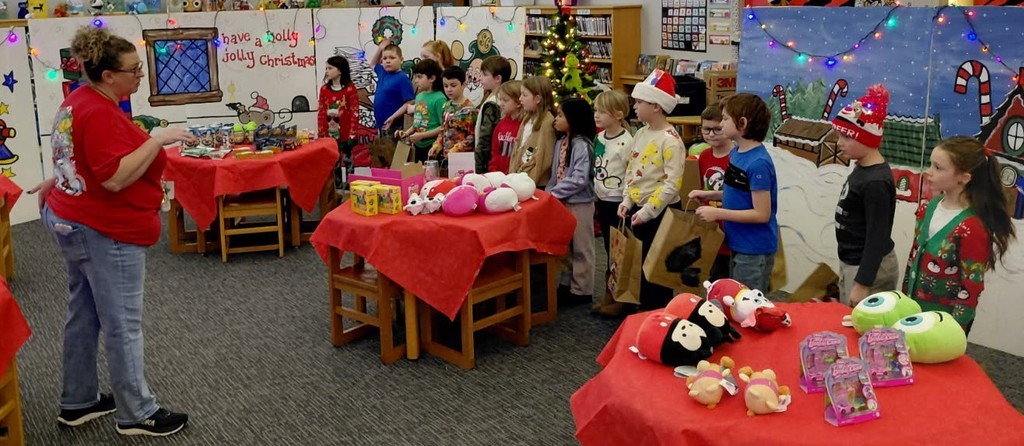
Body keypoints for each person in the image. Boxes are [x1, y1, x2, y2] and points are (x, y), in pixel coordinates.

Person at [28, 26, 193, 437]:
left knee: (83, 314)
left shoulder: (78, 100)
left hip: (71, 219)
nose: (140, 76)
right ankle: (137, 412)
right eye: (134, 71)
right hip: (102, 230)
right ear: (108, 76)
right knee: (122, 323)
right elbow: (115, 179)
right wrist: (157, 140)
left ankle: (78, 400)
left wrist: (60, 180)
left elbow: (74, 155)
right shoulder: (98, 111)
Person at [903, 136, 1015, 335]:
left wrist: (954, 331)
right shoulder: (928, 208)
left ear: (963, 178)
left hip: (943, 323)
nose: (928, 172)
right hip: (912, 311)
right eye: (931, 164)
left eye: (938, 167)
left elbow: (971, 285)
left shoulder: (972, 227)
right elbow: (914, 259)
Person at [689, 93, 777, 294]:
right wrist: (710, 195)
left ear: (743, 123)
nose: (722, 122)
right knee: (729, 297)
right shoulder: (737, 154)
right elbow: (738, 194)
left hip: (753, 248)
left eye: (726, 119)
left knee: (746, 303)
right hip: (735, 241)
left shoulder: (758, 163)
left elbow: (761, 213)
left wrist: (718, 214)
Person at [617, 70, 686, 310]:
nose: (634, 106)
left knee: (656, 273)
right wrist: (627, 200)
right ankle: (641, 313)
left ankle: (659, 316)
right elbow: (632, 169)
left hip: (660, 213)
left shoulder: (670, 140)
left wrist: (647, 212)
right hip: (639, 210)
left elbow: (671, 184)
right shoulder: (642, 133)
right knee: (638, 266)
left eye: (639, 101)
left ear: (656, 106)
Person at [831, 84, 899, 306]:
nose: (839, 143)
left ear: (867, 140)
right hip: (853, 262)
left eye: (847, 137)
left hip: (868, 270)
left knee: (862, 328)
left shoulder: (876, 183)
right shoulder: (863, 168)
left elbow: (877, 237)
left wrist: (862, 283)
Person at [547, 98, 598, 306]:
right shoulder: (561, 142)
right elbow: (555, 174)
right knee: (566, 246)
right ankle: (567, 284)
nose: (555, 119)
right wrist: (550, 192)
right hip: (563, 201)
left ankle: (582, 289)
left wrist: (554, 193)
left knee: (582, 246)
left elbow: (579, 178)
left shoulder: (582, 145)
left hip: (580, 203)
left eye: (560, 115)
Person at [590, 89, 633, 316]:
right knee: (608, 247)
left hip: (618, 201)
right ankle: (610, 291)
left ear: (617, 114)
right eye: (596, 110)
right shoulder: (599, 137)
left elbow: (631, 173)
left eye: (602, 112)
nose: (597, 115)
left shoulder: (627, 142)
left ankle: (621, 296)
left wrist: (626, 200)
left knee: (619, 249)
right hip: (602, 199)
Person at [694, 102, 735, 283]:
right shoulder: (704, 156)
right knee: (715, 280)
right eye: (706, 129)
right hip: (712, 230)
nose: (711, 134)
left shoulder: (736, 156)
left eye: (717, 129)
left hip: (734, 228)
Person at [392, 58, 445, 162]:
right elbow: (417, 122)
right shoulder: (419, 96)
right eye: (416, 77)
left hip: (432, 146)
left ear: (432, 78)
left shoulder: (439, 98)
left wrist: (422, 135)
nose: (416, 81)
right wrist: (406, 133)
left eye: (419, 77)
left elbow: (443, 127)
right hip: (418, 145)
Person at [318, 55, 359, 188]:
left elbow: (355, 112)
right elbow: (321, 112)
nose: (327, 71)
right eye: (326, 68)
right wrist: (321, 134)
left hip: (346, 135)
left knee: (348, 163)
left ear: (340, 70)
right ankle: (336, 192)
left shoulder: (350, 89)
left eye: (330, 68)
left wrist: (352, 134)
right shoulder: (324, 90)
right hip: (330, 136)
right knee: (333, 165)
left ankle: (349, 192)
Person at [508, 76, 557, 187]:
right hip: (519, 179)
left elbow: (543, 158)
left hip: (533, 184)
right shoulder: (527, 118)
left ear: (538, 99)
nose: (520, 98)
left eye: (525, 95)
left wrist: (529, 182)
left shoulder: (547, 122)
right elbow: (517, 149)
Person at [428, 66, 476, 160]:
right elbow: (443, 131)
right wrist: (436, 145)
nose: (449, 89)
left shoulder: (470, 110)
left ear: (463, 85)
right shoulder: (446, 106)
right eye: (445, 86)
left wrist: (457, 148)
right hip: (446, 156)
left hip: (463, 158)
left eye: (453, 86)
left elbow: (472, 137)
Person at [371, 38, 415, 137]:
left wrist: (393, 117)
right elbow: (373, 64)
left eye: (392, 58)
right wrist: (380, 48)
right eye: (385, 58)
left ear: (401, 59)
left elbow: (410, 102)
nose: (387, 61)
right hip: (381, 124)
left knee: (392, 150)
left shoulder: (402, 78)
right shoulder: (383, 73)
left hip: (395, 125)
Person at [475, 56, 511, 173]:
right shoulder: (491, 97)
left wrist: (480, 167)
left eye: (485, 75)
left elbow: (486, 139)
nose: (480, 78)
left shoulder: (494, 103)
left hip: (488, 163)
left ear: (498, 78)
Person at [489, 80, 523, 173]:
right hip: (498, 175)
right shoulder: (501, 124)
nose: (501, 104)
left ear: (519, 102)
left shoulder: (523, 126)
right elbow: (495, 152)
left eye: (505, 100)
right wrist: (493, 171)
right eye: (500, 99)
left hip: (515, 176)